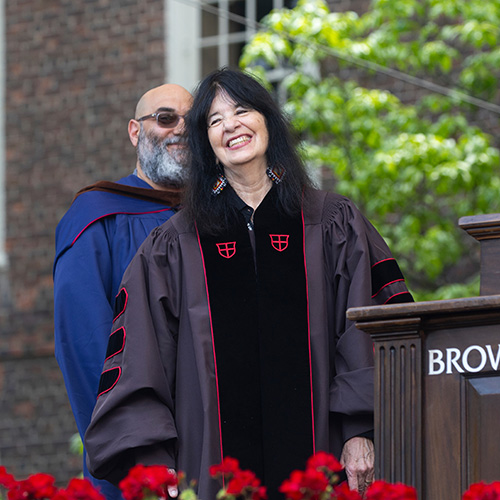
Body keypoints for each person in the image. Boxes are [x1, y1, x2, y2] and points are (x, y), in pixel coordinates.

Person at [84, 69, 413, 500]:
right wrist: (155, 464)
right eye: (215, 121)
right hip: (211, 470)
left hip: (326, 458)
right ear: (206, 144)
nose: (231, 125)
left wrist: (360, 429)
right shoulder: (174, 245)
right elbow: (143, 356)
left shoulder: (332, 222)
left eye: (242, 110)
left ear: (267, 122)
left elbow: (368, 330)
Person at [54, 83, 192, 500]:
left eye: (193, 121)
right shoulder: (97, 218)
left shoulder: (218, 220)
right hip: (141, 456)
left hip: (217, 443)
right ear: (135, 131)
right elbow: (88, 347)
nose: (181, 130)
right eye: (166, 118)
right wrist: (137, 453)